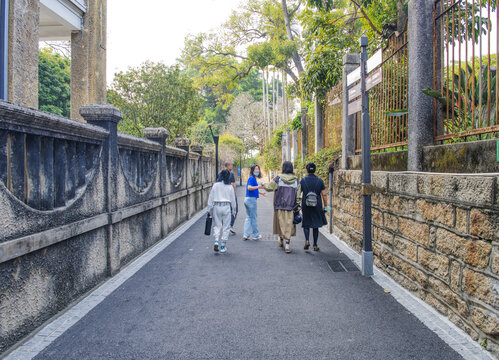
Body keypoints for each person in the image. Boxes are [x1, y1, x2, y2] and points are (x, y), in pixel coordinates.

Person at [263, 161, 301, 253]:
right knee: (289, 226)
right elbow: (298, 195)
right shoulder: (296, 180)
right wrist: (298, 205)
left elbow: (269, 187)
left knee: (280, 224)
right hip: (291, 207)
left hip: (279, 205)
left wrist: (263, 184)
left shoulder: (278, 178)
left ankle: (280, 239)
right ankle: (287, 246)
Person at [299, 162, 330, 251]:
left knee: (306, 223)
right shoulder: (320, 181)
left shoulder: (303, 180)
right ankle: (315, 245)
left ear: (307, 170)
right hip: (317, 205)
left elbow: (298, 192)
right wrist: (326, 206)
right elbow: (324, 194)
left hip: (306, 204)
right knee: (316, 225)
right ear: (315, 170)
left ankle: (307, 240)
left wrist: (297, 204)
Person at [207, 169, 237, 253]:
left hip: (217, 206)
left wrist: (209, 209)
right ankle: (223, 246)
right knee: (226, 227)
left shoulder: (215, 185)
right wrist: (234, 210)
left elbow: (211, 197)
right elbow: (233, 199)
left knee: (217, 225)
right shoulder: (230, 186)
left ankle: (216, 241)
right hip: (226, 206)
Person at [243, 164, 266, 241]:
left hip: (248, 199)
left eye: (258, 169)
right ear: (252, 170)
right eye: (256, 169)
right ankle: (255, 235)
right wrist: (259, 186)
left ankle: (246, 235)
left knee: (248, 218)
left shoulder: (253, 178)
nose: (257, 170)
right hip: (251, 200)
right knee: (253, 218)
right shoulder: (251, 178)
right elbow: (249, 188)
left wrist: (261, 193)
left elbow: (253, 189)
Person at [217, 160, 238, 235]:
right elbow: (232, 185)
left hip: (222, 196)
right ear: (228, 166)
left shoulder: (221, 174)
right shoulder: (231, 174)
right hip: (230, 195)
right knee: (234, 210)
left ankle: (225, 225)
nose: (232, 166)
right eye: (231, 165)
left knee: (226, 211)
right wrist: (234, 195)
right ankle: (230, 225)